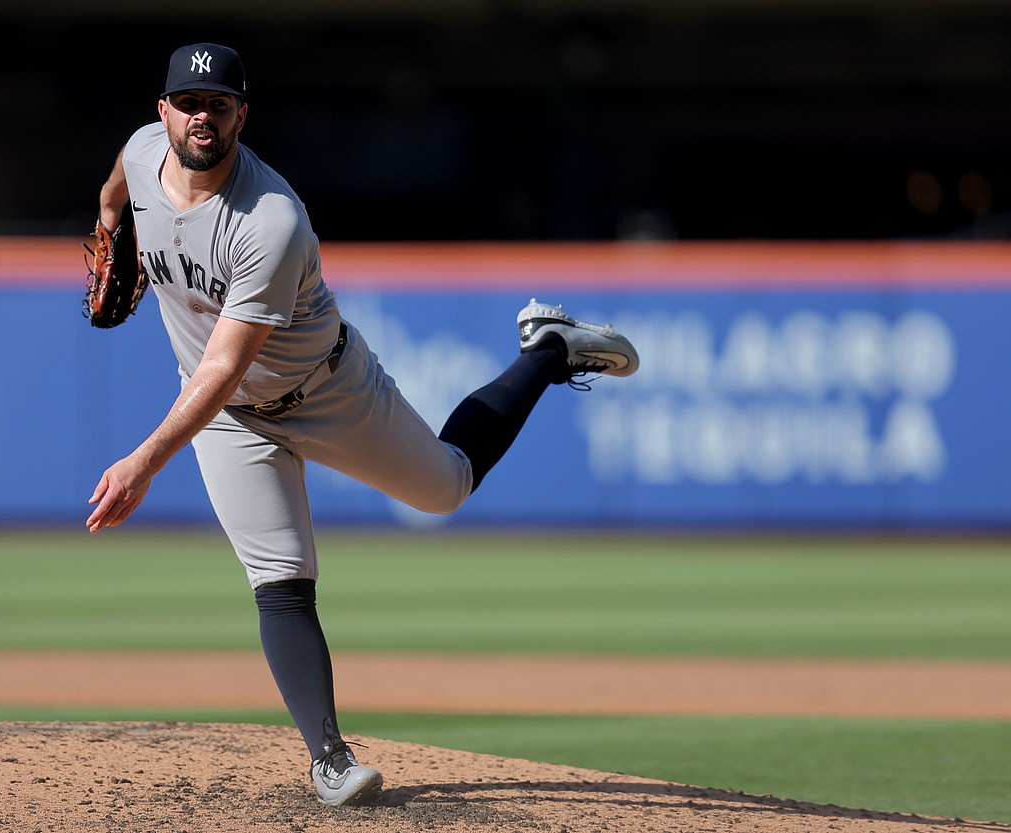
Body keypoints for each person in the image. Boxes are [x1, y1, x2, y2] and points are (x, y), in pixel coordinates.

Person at [85, 41, 639, 807]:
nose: (200, 117)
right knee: (280, 578)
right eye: (188, 102)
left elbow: (223, 369)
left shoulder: (269, 218)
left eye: (218, 104)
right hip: (228, 421)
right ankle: (330, 759)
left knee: (446, 488)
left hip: (326, 389)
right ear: (164, 111)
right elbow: (119, 180)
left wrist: (145, 459)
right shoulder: (144, 152)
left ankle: (548, 349)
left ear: (242, 114)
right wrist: (112, 224)